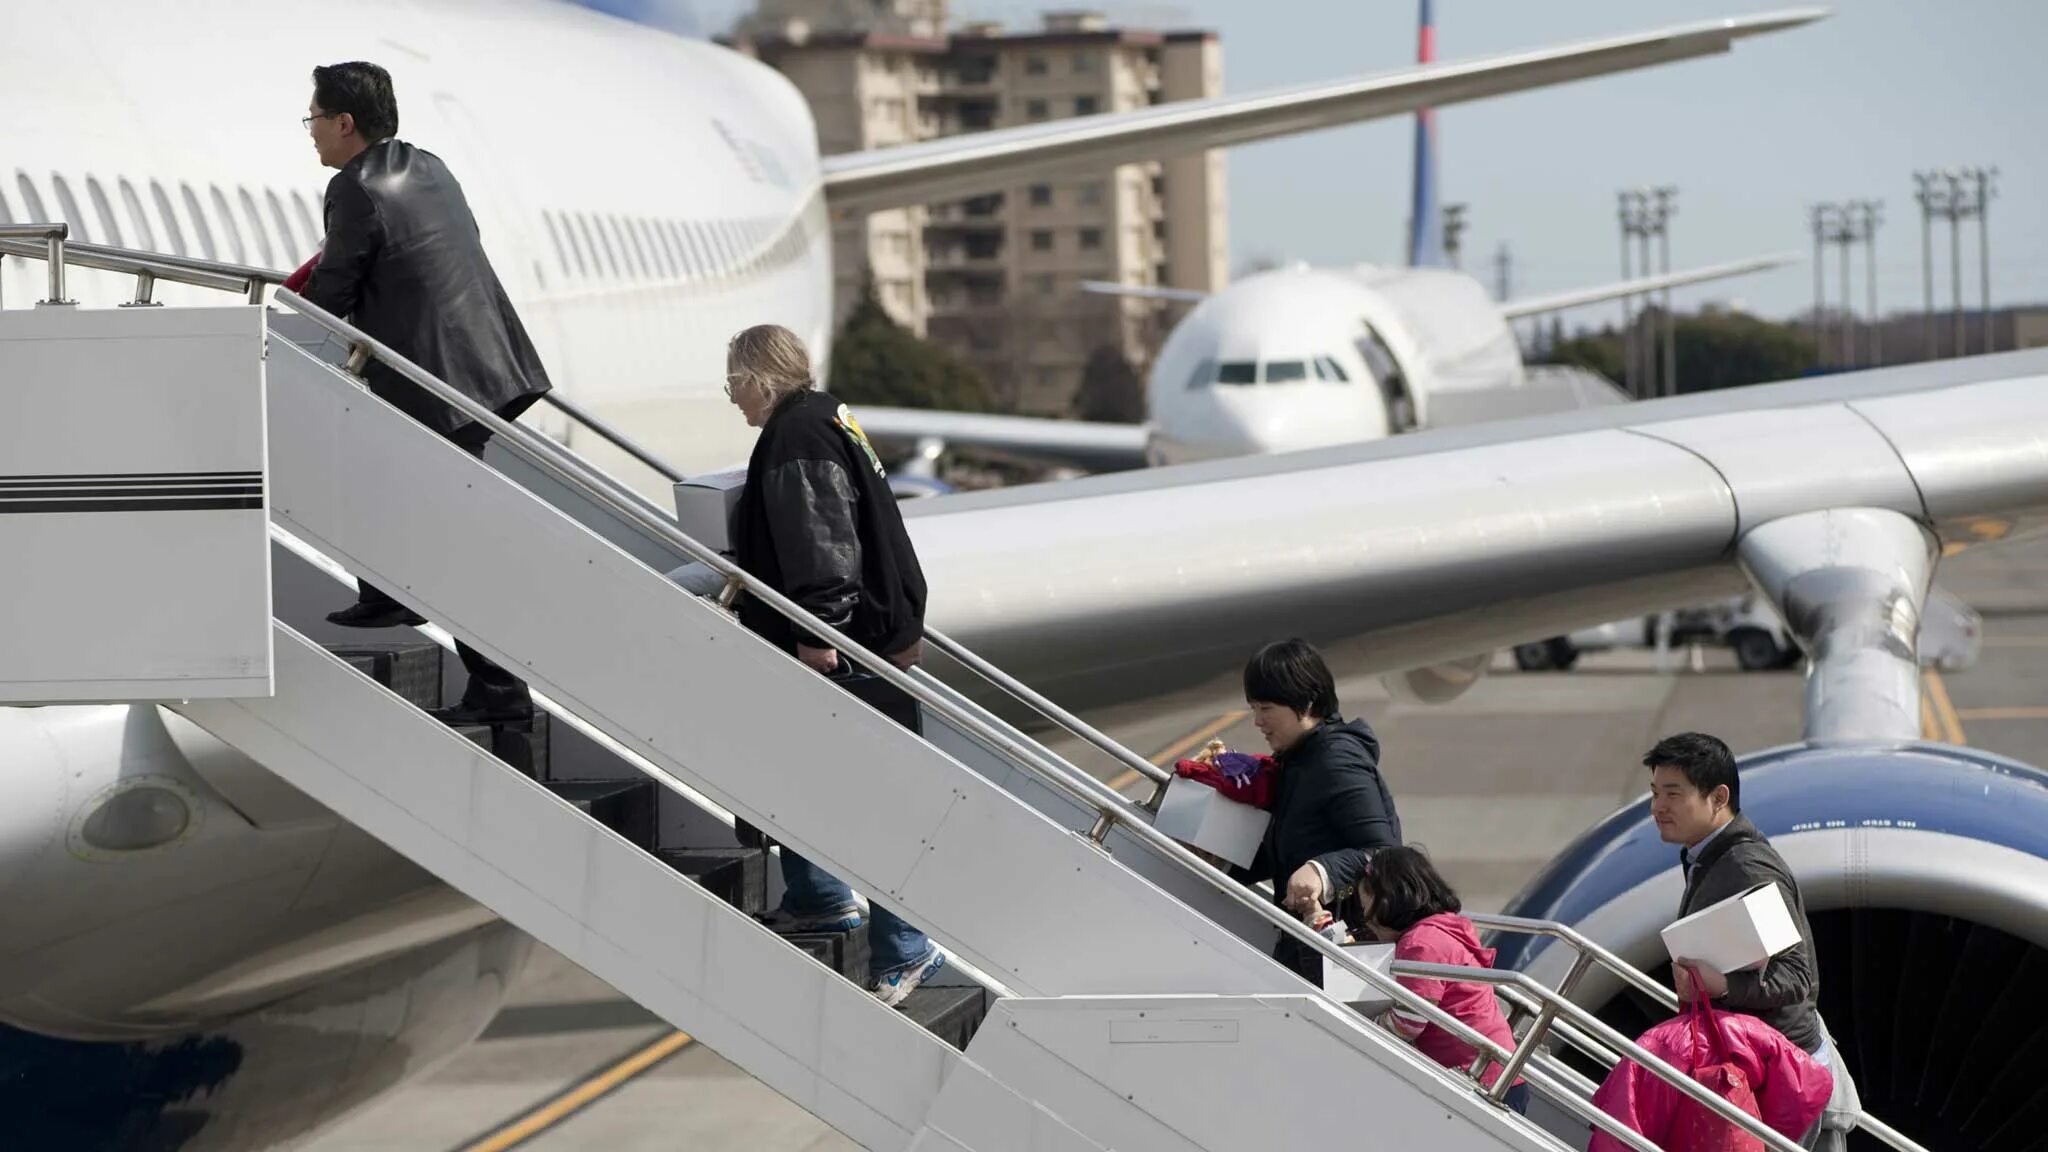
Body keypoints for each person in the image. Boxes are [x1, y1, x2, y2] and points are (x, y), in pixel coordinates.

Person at [299, 61, 553, 725]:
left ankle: (500, 693)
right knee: (395, 492)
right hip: (482, 370)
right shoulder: (430, 166)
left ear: (345, 123)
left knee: (446, 542)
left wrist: (295, 309)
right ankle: (386, 591)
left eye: (315, 119)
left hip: (430, 385)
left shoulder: (353, 188)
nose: (312, 133)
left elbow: (334, 293)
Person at [723, 323, 943, 1007]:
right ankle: (819, 895)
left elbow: (823, 543)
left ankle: (907, 946)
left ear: (759, 377)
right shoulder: (830, 418)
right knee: (802, 774)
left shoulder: (795, 436)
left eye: (733, 383)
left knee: (861, 794)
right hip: (874, 634)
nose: (731, 399)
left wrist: (820, 633)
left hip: (843, 644)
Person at [1646, 733, 1859, 1150]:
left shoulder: (1747, 868)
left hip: (1789, 1082)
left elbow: (1798, 976)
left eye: (1673, 793)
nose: (1657, 807)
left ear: (1718, 796)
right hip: (1766, 1072)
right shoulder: (1708, 855)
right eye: (1655, 793)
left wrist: (1722, 986)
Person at [1240, 638, 1401, 983]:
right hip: (1308, 945)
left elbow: (1383, 852)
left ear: (1307, 701)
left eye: (1266, 708)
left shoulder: (1335, 760)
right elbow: (1289, 847)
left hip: (1343, 950)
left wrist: (1321, 871)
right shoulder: (1299, 761)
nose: (1257, 721)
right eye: (1253, 708)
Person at [1361, 846, 1528, 1114]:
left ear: (1389, 899)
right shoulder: (1442, 928)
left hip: (1479, 1080)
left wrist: (1366, 1025)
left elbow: (1409, 1022)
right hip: (1498, 1074)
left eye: (1366, 905)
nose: (1366, 919)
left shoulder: (1421, 944)